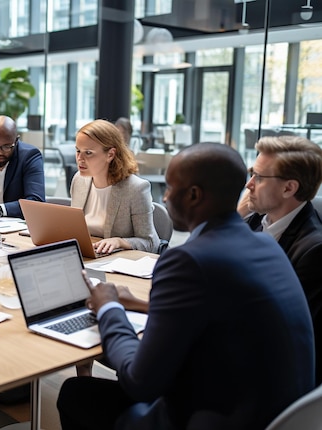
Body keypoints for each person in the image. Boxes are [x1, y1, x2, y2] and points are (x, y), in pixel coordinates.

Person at [57, 143, 314, 430]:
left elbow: (140, 383)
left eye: (169, 187)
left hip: (217, 418)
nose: (164, 198)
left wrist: (109, 308)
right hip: (278, 413)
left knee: (76, 394)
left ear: (193, 195)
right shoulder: (265, 242)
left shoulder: (188, 260)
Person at [240, 135, 322, 385]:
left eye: (260, 178)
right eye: (251, 174)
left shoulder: (314, 251)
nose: (249, 185)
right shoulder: (255, 222)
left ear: (289, 188)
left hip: (270, 377)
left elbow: (281, 333)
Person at [71, 119, 159, 254]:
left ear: (110, 154)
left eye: (88, 153)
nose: (80, 159)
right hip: (85, 255)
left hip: (117, 262)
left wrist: (120, 241)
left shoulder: (136, 189)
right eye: (78, 151)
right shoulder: (79, 180)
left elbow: (151, 243)